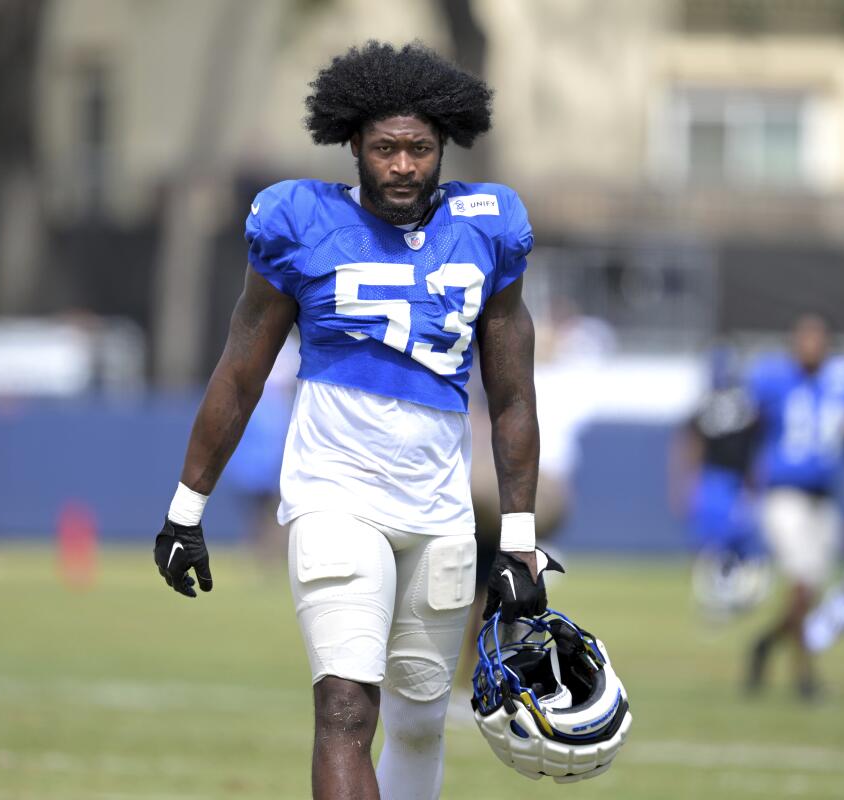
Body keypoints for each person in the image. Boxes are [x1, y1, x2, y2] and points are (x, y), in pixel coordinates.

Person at [149, 42, 562, 800]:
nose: (402, 166)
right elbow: (239, 374)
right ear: (353, 147)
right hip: (335, 497)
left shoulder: (488, 227)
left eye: (419, 149)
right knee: (344, 708)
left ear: (444, 147)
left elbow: (513, 398)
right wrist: (186, 508)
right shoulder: (300, 221)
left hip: (439, 509)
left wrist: (519, 539)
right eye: (385, 149)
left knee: (421, 722)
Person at [744, 313, 844, 700]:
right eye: (803, 338)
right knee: (801, 587)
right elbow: (750, 430)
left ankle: (765, 643)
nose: (810, 346)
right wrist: (745, 481)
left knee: (811, 595)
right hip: (784, 495)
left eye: (817, 339)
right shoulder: (772, 379)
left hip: (824, 497)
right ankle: (805, 677)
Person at [669, 346, 768, 619]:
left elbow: (751, 444)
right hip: (716, 479)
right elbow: (693, 444)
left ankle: (726, 592)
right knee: (716, 543)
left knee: (732, 541)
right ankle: (717, 595)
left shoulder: (743, 405)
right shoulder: (723, 405)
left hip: (729, 481)